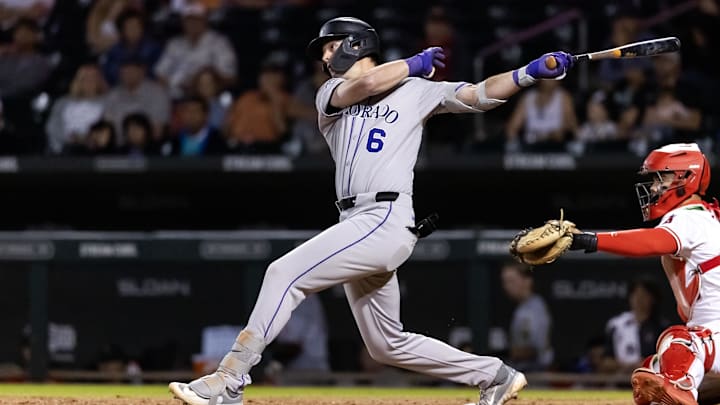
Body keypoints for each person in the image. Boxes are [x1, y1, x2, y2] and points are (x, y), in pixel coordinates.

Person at [169, 16, 574, 405]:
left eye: (331, 47)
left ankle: (229, 379)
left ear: (356, 44)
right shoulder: (331, 94)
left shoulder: (416, 91)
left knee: (283, 273)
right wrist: (413, 63)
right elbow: (364, 83)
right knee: (386, 345)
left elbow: (478, 94)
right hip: (357, 220)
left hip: (383, 217)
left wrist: (529, 73)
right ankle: (496, 376)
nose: (326, 58)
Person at [566, 142, 720, 405]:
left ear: (685, 178)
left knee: (676, 342)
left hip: (713, 337)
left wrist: (590, 240)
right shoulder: (706, 218)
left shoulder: (689, 217)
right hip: (714, 337)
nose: (653, 188)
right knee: (655, 372)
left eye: (661, 178)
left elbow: (651, 242)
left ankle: (681, 387)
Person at [599, 279, 670, 374]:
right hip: (620, 381)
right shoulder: (616, 325)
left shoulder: (661, 327)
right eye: (635, 294)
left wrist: (642, 365)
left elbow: (666, 360)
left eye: (643, 295)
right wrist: (625, 366)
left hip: (651, 380)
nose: (638, 299)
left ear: (653, 299)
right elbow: (606, 361)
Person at [500, 261, 553, 372]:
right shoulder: (522, 308)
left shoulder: (534, 308)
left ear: (527, 281)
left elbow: (534, 349)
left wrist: (502, 353)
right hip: (523, 371)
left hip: (535, 373)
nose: (507, 286)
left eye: (511, 281)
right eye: (505, 282)